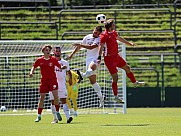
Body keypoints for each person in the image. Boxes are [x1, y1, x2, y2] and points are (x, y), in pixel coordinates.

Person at [97, 19, 145, 104]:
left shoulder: (114, 32)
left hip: (116, 56)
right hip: (109, 59)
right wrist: (99, 57)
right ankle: (116, 96)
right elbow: (101, 46)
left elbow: (120, 38)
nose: (115, 25)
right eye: (113, 24)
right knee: (115, 77)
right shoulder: (104, 35)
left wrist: (129, 43)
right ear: (110, 26)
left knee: (127, 68)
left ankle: (134, 82)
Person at [67, 26, 104, 107]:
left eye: (98, 33)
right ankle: (101, 97)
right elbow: (79, 47)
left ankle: (82, 76)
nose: (96, 34)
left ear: (100, 33)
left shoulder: (99, 39)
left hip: (96, 58)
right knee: (93, 82)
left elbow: (91, 47)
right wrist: (72, 55)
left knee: (91, 68)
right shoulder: (87, 37)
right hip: (88, 59)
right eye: (95, 32)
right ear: (93, 30)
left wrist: (81, 44)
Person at [29, 45, 62, 122]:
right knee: (42, 98)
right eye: (46, 50)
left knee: (55, 97)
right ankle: (39, 115)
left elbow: (59, 66)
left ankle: (57, 112)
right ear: (43, 51)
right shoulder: (39, 60)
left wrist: (62, 67)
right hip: (44, 81)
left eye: (49, 50)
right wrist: (31, 72)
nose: (48, 51)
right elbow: (34, 67)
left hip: (52, 80)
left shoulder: (53, 59)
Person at [49, 46, 73, 124]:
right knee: (53, 102)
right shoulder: (50, 61)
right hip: (52, 84)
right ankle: (55, 118)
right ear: (54, 52)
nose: (58, 52)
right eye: (56, 51)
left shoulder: (65, 62)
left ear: (61, 52)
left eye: (59, 51)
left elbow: (68, 72)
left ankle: (68, 117)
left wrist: (70, 79)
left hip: (62, 85)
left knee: (64, 101)